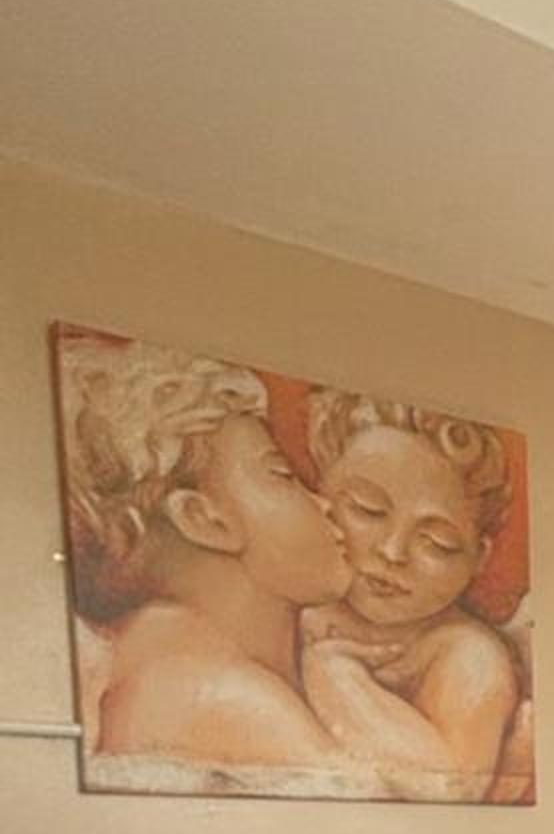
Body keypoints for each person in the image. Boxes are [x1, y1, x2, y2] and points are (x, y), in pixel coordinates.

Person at [61, 337, 351, 779]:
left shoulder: (150, 660)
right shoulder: (232, 701)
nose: (324, 504)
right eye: (282, 475)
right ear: (204, 519)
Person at [298, 392, 525, 802]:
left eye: (437, 543)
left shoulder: (468, 654)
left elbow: (451, 786)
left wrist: (339, 678)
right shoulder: (292, 605)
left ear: (478, 557)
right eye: (367, 510)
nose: (392, 552)